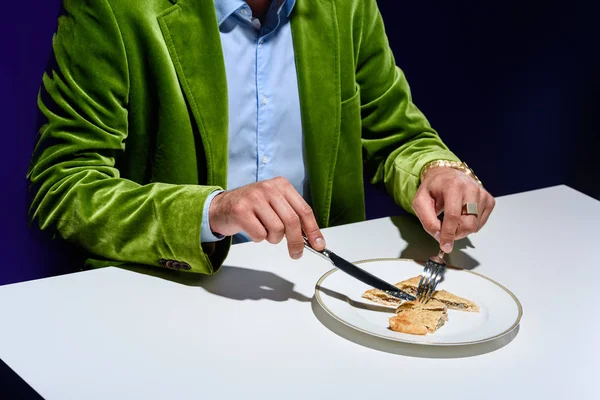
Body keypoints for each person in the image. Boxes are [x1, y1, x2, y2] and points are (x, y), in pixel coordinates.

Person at [27, 0, 495, 275]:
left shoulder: (347, 7)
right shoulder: (115, 9)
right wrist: (212, 211)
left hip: (319, 294)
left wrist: (437, 170)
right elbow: (64, 186)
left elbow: (395, 135)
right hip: (171, 299)